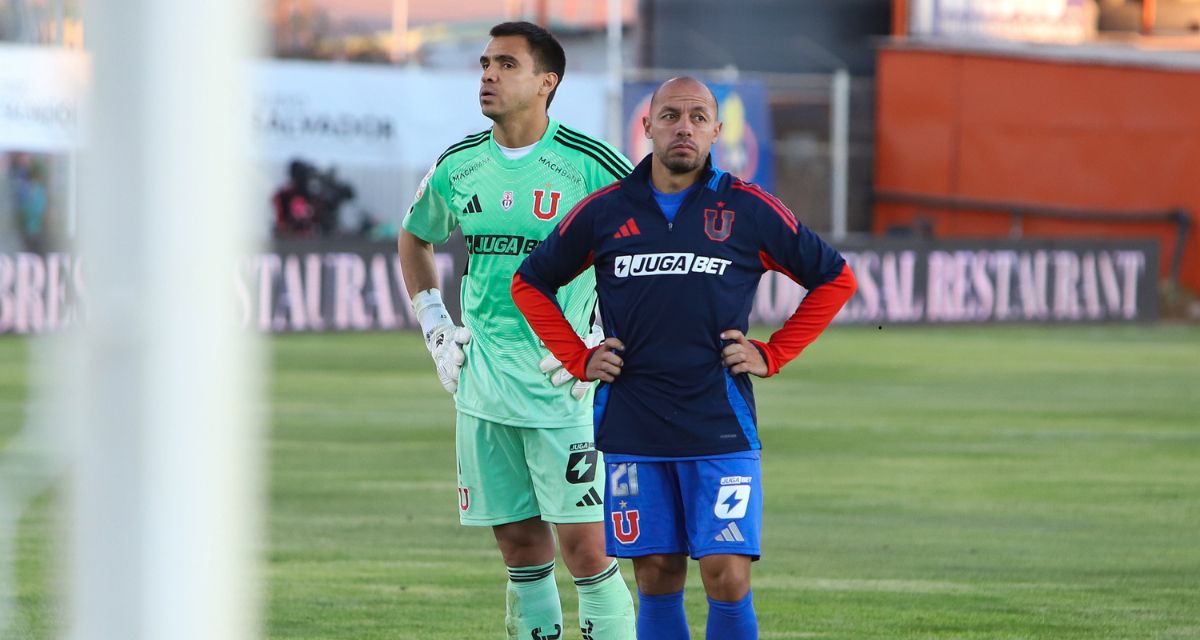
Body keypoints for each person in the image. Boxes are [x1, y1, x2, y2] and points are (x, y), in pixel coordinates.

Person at [512, 77, 858, 639]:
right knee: (656, 574)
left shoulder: (746, 208)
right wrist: (578, 358)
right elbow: (530, 283)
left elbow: (834, 278)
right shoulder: (605, 211)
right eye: (670, 115)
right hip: (634, 426)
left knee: (726, 576)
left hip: (718, 425)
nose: (684, 127)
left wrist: (775, 353)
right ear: (645, 126)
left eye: (699, 117)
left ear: (718, 131)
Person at [397, 21, 636, 640]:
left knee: (587, 549)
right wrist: (436, 327)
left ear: (546, 82)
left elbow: (651, 246)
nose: (488, 75)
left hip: (566, 390)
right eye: (484, 63)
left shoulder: (589, 165)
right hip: (484, 391)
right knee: (520, 548)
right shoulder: (460, 165)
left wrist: (605, 335)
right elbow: (414, 236)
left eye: (506, 64)